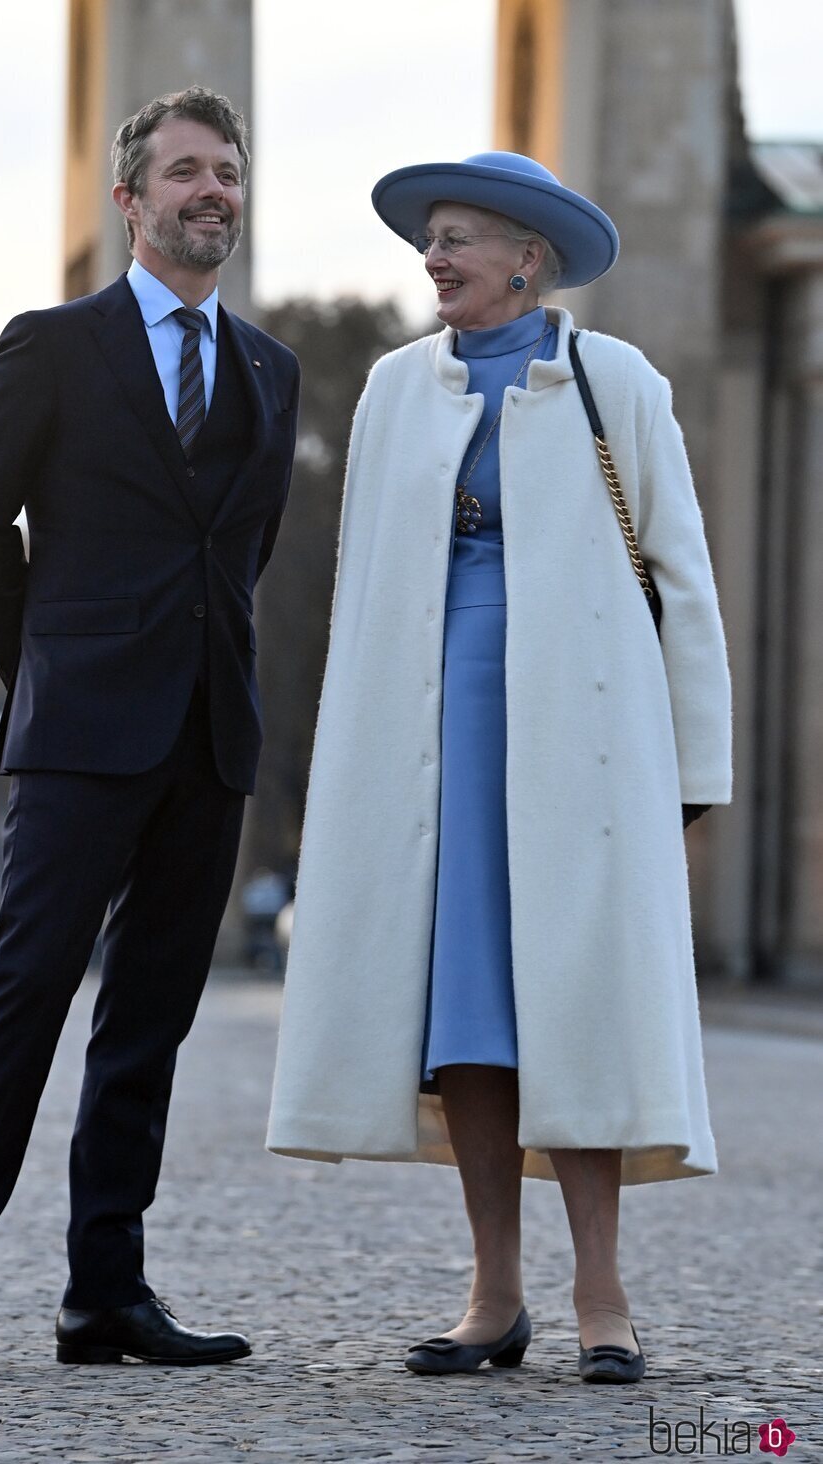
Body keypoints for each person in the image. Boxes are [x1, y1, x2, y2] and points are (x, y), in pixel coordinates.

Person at [266, 152, 731, 1384]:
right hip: (435, 744)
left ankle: (602, 1297)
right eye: (429, 237)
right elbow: (360, 582)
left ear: (527, 256)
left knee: (574, 1005)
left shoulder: (613, 381)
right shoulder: (386, 391)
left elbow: (677, 576)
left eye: (459, 237)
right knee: (467, 1015)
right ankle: (492, 1294)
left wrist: (692, 768)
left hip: (582, 747)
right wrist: (350, 766)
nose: (435, 257)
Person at [0, 86, 299, 1383]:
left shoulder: (270, 373)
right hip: (80, 733)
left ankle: (104, 1296)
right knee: (22, 1004)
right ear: (129, 201)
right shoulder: (52, 346)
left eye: (227, 172)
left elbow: (241, 559)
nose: (211, 192)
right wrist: (46, 666)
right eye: (184, 171)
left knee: (147, 1029)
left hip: (207, 738)